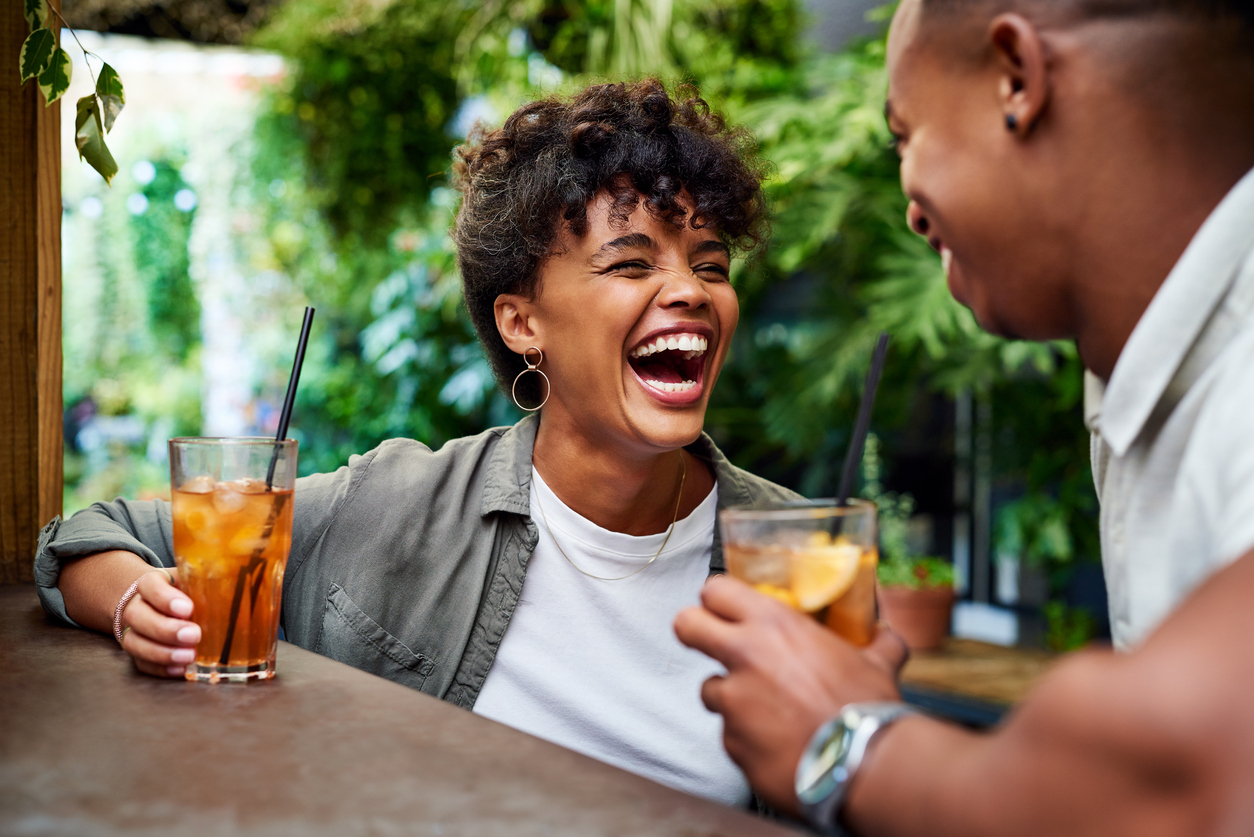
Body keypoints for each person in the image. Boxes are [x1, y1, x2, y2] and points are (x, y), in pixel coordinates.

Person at [33, 79, 797, 808]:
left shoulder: (802, 555)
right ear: (520, 321)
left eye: (711, 265)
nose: (692, 290)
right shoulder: (394, 503)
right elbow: (87, 537)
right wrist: (139, 601)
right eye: (631, 262)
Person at [675, 0, 1254, 833]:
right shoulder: (1149, 388)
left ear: (1016, 79)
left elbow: (1193, 775)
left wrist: (850, 743)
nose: (911, 207)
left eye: (905, 134)